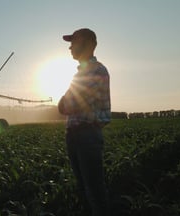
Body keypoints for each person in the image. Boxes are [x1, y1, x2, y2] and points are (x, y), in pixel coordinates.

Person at [58, 28, 111, 216]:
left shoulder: (97, 70)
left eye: (74, 42)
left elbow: (68, 104)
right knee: (83, 190)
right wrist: (65, 102)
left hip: (87, 134)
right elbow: (65, 104)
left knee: (95, 192)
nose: (70, 47)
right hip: (74, 134)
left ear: (89, 44)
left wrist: (65, 101)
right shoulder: (79, 74)